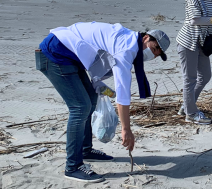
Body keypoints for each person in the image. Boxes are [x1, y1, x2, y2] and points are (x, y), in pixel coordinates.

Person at [36, 23, 170, 183]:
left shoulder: (128, 40)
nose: (152, 54)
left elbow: (97, 60)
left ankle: (85, 150)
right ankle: (72, 166)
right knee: (80, 107)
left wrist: (101, 87)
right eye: (154, 48)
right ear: (146, 37)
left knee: (91, 100)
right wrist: (126, 129)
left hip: (70, 57)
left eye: (157, 54)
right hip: (55, 53)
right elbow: (123, 93)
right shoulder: (126, 48)